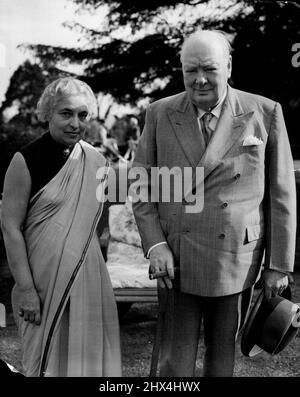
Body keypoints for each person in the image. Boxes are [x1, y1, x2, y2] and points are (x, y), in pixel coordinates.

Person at [132, 30, 296, 377]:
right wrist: (155, 245)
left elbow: (281, 196)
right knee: (175, 364)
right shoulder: (159, 113)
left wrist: (278, 264)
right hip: (177, 260)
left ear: (229, 66)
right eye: (190, 70)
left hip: (236, 260)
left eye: (209, 68)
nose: (200, 79)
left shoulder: (264, 112)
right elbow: (141, 185)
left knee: (222, 361)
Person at [1, 77, 122, 377]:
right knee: (44, 362)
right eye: (66, 113)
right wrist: (26, 289)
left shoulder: (96, 160)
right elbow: (10, 227)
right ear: (48, 113)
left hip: (87, 276)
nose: (75, 123)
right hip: (39, 284)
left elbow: (96, 224)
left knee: (88, 361)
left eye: (82, 115)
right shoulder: (25, 160)